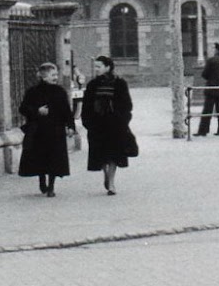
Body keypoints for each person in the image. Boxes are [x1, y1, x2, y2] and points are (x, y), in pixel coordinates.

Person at [80, 55, 136, 195]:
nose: (96, 69)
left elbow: (127, 104)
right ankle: (105, 174)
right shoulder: (93, 84)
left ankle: (111, 182)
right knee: (100, 154)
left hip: (115, 124)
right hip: (97, 124)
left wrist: (123, 119)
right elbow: (87, 105)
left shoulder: (119, 83)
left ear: (108, 67)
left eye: (99, 66)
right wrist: (87, 122)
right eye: (96, 66)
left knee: (114, 154)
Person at [19, 62, 75, 196]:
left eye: (56, 75)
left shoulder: (60, 91)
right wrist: (37, 111)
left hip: (56, 130)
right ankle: (42, 180)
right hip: (38, 130)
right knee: (40, 157)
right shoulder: (33, 92)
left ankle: (51, 187)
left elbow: (67, 111)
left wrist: (70, 126)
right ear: (43, 77)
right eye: (52, 75)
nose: (56, 78)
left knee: (54, 159)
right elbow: (23, 108)